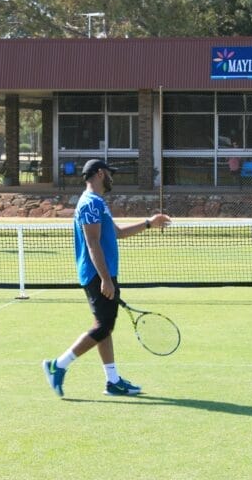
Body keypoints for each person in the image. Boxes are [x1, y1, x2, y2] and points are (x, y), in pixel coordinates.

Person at [43, 159, 171, 398]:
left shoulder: (97, 203)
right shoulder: (90, 204)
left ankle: (112, 381)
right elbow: (92, 243)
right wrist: (105, 279)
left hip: (102, 273)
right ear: (100, 174)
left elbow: (117, 233)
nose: (112, 178)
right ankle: (57, 365)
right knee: (103, 327)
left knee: (104, 327)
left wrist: (148, 224)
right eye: (110, 174)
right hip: (96, 274)